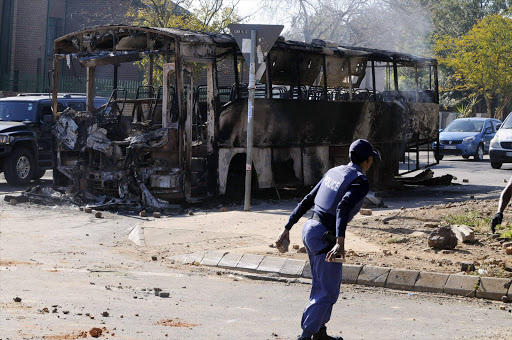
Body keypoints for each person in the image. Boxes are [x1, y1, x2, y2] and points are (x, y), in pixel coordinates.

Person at [276, 139, 379, 340]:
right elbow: (342, 207)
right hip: (327, 237)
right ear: (367, 160)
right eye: (371, 159)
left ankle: (320, 333)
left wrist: (287, 228)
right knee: (328, 292)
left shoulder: (335, 171)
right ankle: (305, 336)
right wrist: (340, 241)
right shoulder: (360, 181)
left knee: (321, 285)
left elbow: (308, 199)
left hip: (311, 229)